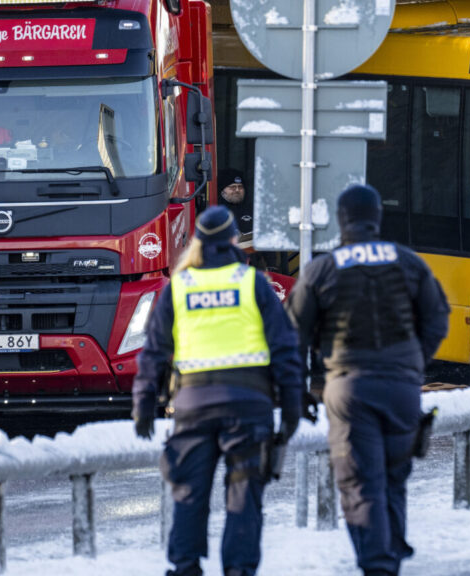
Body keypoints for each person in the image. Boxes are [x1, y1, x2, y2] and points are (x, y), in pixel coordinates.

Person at [284, 183, 449, 576]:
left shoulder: (322, 269)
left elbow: (291, 336)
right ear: (377, 217)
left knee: (361, 481)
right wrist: (413, 362)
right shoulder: (408, 262)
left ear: (341, 221)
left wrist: (299, 386)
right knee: (394, 475)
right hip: (402, 388)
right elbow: (437, 318)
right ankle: (390, 553)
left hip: (349, 387)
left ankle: (379, 565)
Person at [132, 206, 304, 576]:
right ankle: (239, 570)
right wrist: (291, 406)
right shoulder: (253, 283)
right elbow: (285, 349)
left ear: (197, 243)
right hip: (249, 408)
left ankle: (186, 567)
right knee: (244, 495)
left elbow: (153, 353)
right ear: (232, 241)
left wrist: (144, 403)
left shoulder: (178, 287)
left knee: (189, 493)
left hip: (193, 408)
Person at [218, 168, 254, 234]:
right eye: (232, 187)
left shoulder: (252, 208)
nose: (237, 190)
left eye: (240, 187)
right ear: (222, 191)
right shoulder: (215, 209)